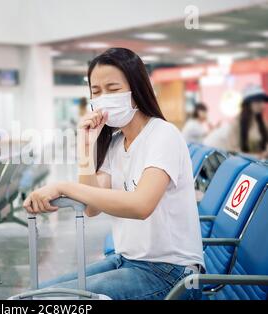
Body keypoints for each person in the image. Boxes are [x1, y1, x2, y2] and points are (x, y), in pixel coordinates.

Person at [23, 48, 204, 300]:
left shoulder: (163, 135)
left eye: (113, 88)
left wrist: (64, 186)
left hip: (171, 274)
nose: (103, 98)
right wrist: (86, 149)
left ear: (137, 90)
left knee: (55, 300)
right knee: (36, 295)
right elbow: (91, 208)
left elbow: (141, 206)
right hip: (126, 260)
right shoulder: (117, 142)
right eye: (96, 92)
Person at [203, 85, 268, 158]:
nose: (262, 105)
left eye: (263, 102)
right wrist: (258, 157)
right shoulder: (237, 124)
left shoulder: (261, 122)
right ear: (247, 104)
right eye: (258, 101)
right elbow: (233, 152)